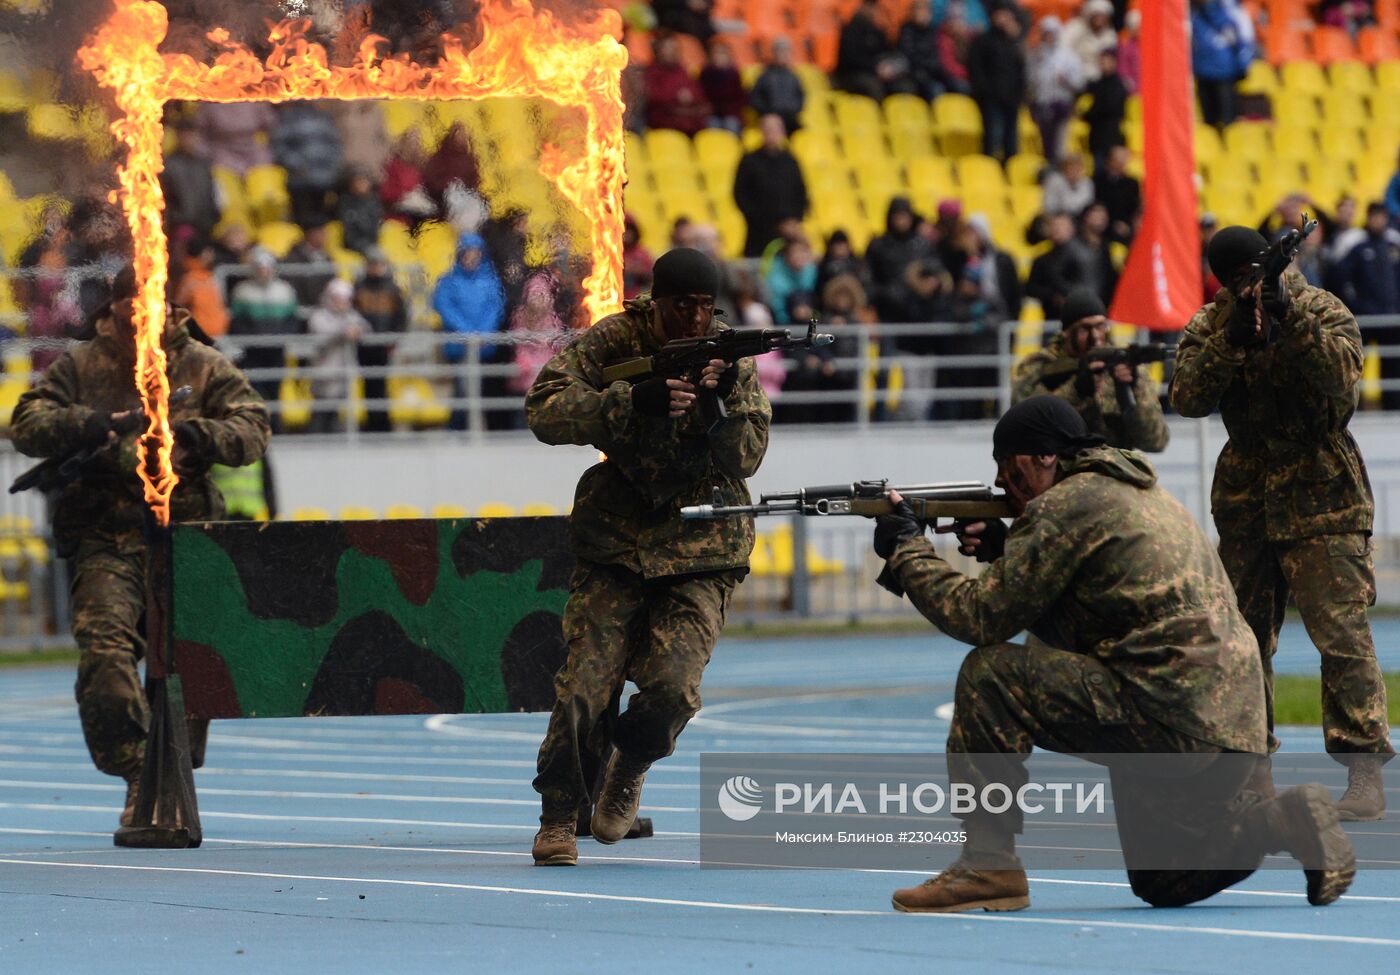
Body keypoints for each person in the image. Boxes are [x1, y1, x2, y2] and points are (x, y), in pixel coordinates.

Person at [871, 396, 1355, 913]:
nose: (1007, 491)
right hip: (1231, 723)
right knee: (1164, 879)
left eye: (1012, 474)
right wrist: (1004, 549)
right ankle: (1279, 821)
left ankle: (989, 866)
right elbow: (1086, 620)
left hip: (1167, 709)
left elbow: (980, 619)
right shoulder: (1137, 491)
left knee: (989, 677)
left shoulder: (1065, 505)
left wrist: (909, 552)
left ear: (1044, 459)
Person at [525, 248, 771, 867]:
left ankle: (630, 762)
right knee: (583, 688)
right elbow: (544, 409)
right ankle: (559, 814)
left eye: (705, 308)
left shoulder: (729, 355)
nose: (694, 319)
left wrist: (716, 410)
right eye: (681, 306)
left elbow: (747, 457)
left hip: (700, 546)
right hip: (617, 540)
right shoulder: (615, 341)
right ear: (655, 302)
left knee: (672, 689)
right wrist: (631, 402)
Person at [10, 265, 271, 826]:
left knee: (188, 669)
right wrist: (95, 424)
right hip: (107, 535)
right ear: (117, 308)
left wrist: (197, 434)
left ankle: (173, 769)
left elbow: (253, 427)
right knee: (105, 656)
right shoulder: (83, 364)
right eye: (132, 307)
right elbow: (27, 421)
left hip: (185, 539)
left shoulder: (201, 363)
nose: (142, 317)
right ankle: (137, 772)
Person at [1170, 225, 1393, 820]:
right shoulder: (1209, 324)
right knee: (1242, 642)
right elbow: (1187, 398)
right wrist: (1231, 341)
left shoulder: (1322, 307)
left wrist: (1290, 322)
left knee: (1341, 634)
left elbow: (1343, 383)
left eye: (1252, 274)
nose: (1247, 286)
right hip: (1247, 498)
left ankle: (1363, 770)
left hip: (1323, 488)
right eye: (1236, 279)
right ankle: (1249, 771)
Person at [1013, 287, 1168, 450]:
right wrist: (1076, 390)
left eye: (1100, 326)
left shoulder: (1123, 366)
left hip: (1116, 469)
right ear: (1066, 333)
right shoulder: (1040, 367)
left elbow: (1155, 442)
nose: (1095, 337)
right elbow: (1025, 431)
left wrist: (1133, 390)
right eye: (1084, 329)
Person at [432, 233, 507, 431]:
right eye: (468, 254)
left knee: (487, 390)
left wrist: (483, 332)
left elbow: (496, 307)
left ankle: (490, 432)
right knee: (462, 391)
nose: (472, 258)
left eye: (476, 254)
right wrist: (466, 333)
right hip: (460, 348)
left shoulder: (491, 281)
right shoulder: (448, 281)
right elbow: (444, 306)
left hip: (484, 346)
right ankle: (457, 430)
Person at [228, 248, 300, 430]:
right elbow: (237, 322)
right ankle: (257, 428)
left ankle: (276, 427)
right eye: (260, 268)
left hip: (276, 350)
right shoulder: (243, 292)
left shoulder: (285, 291)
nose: (263, 272)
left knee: (275, 390)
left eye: (267, 268)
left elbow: (293, 320)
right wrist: (250, 339)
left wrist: (282, 338)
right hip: (253, 351)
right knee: (255, 390)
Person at [733, 114, 809, 258]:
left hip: (788, 232)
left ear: (783, 132)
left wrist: (794, 219)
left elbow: (801, 192)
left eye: (775, 129)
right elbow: (740, 195)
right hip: (758, 231)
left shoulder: (790, 161)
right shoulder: (750, 160)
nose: (772, 134)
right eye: (768, 129)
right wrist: (762, 219)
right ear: (761, 132)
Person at [352, 247, 409, 433]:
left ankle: (383, 424)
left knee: (381, 385)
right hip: (364, 345)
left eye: (379, 264)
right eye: (373, 264)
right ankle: (371, 422)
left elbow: (401, 317)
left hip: (384, 345)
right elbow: (353, 314)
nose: (376, 268)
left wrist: (394, 339)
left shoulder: (392, 290)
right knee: (368, 385)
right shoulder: (359, 288)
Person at [306, 279, 369, 434]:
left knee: (338, 412)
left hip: (343, 372)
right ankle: (316, 441)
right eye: (338, 298)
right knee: (321, 411)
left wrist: (358, 330)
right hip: (323, 371)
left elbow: (366, 328)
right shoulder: (319, 316)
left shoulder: (351, 316)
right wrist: (343, 333)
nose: (341, 302)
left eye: (345, 299)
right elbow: (321, 336)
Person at [270, 101, 344, 226]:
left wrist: (332, 166)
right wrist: (296, 164)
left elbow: (335, 144)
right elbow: (279, 146)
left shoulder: (323, 117)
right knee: (302, 221)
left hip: (324, 180)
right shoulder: (288, 118)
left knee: (323, 222)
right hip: (300, 181)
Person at [967, 4, 1026, 161]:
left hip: (1011, 98)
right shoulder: (983, 41)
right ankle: (988, 170)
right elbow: (975, 68)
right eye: (1001, 15)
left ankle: (1010, 173)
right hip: (991, 99)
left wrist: (1020, 94)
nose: (1004, 20)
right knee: (993, 137)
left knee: (1011, 140)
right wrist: (985, 91)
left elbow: (1021, 70)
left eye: (1007, 16)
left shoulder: (1014, 43)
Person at [1026, 16, 1084, 165]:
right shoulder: (1037, 55)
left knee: (1060, 145)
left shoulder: (1068, 56)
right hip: (1042, 104)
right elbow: (1030, 80)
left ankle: (1058, 168)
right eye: (1047, 34)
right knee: (1045, 143)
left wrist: (1065, 80)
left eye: (1052, 33)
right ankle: (1049, 169)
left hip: (1061, 103)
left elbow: (1079, 83)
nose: (1050, 37)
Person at [1191, 0, 1253, 128]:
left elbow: (1243, 40)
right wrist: (1242, 67)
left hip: (1218, 73)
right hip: (1216, 72)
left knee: (1217, 121)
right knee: (1223, 121)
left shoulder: (1197, 16)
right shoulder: (1196, 16)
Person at [160, 120, 220, 241]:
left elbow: (211, 195)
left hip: (205, 226)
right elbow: (164, 200)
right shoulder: (168, 165)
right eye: (186, 136)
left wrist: (212, 219)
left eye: (193, 136)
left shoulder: (204, 164)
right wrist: (175, 219)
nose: (190, 140)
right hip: (180, 227)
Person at [644, 32, 711, 136]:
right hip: (665, 125)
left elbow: (698, 94)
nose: (672, 51)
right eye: (668, 47)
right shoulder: (651, 73)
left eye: (675, 47)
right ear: (658, 50)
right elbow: (654, 97)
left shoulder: (683, 70)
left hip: (692, 125)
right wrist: (677, 96)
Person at [749, 37, 805, 135]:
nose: (783, 55)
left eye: (786, 51)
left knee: (803, 136)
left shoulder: (794, 76)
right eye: (780, 51)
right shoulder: (764, 75)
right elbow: (755, 98)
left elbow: (800, 97)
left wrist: (794, 109)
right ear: (774, 53)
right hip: (771, 118)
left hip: (790, 117)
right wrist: (768, 112)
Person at [336, 166, 384, 257]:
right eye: (359, 181)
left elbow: (375, 226)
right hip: (353, 244)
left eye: (365, 181)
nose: (362, 184)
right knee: (377, 256)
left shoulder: (374, 202)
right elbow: (349, 232)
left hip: (372, 242)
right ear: (351, 184)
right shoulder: (345, 203)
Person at [699, 40, 745, 133]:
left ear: (729, 56)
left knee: (731, 125)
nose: (718, 56)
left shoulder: (734, 75)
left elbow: (739, 98)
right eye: (716, 53)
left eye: (722, 53)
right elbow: (702, 96)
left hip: (730, 114)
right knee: (711, 125)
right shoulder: (705, 74)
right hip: (711, 113)